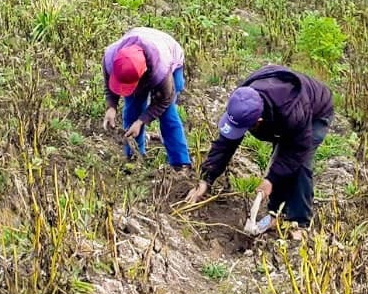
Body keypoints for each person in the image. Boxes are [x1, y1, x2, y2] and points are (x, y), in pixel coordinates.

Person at [183, 65, 334, 228]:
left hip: (316, 112)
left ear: (259, 121)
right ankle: (276, 213)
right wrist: (207, 178)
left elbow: (296, 151)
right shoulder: (242, 101)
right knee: (280, 162)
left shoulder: (292, 112)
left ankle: (299, 221)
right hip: (281, 114)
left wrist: (271, 179)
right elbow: (226, 143)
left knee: (300, 165)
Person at [101, 27, 191, 169]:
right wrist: (111, 106)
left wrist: (142, 121)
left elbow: (163, 101)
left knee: (168, 115)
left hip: (171, 57)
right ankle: (134, 158)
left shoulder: (161, 70)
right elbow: (109, 85)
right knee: (132, 110)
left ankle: (180, 163)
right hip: (141, 56)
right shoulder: (111, 59)